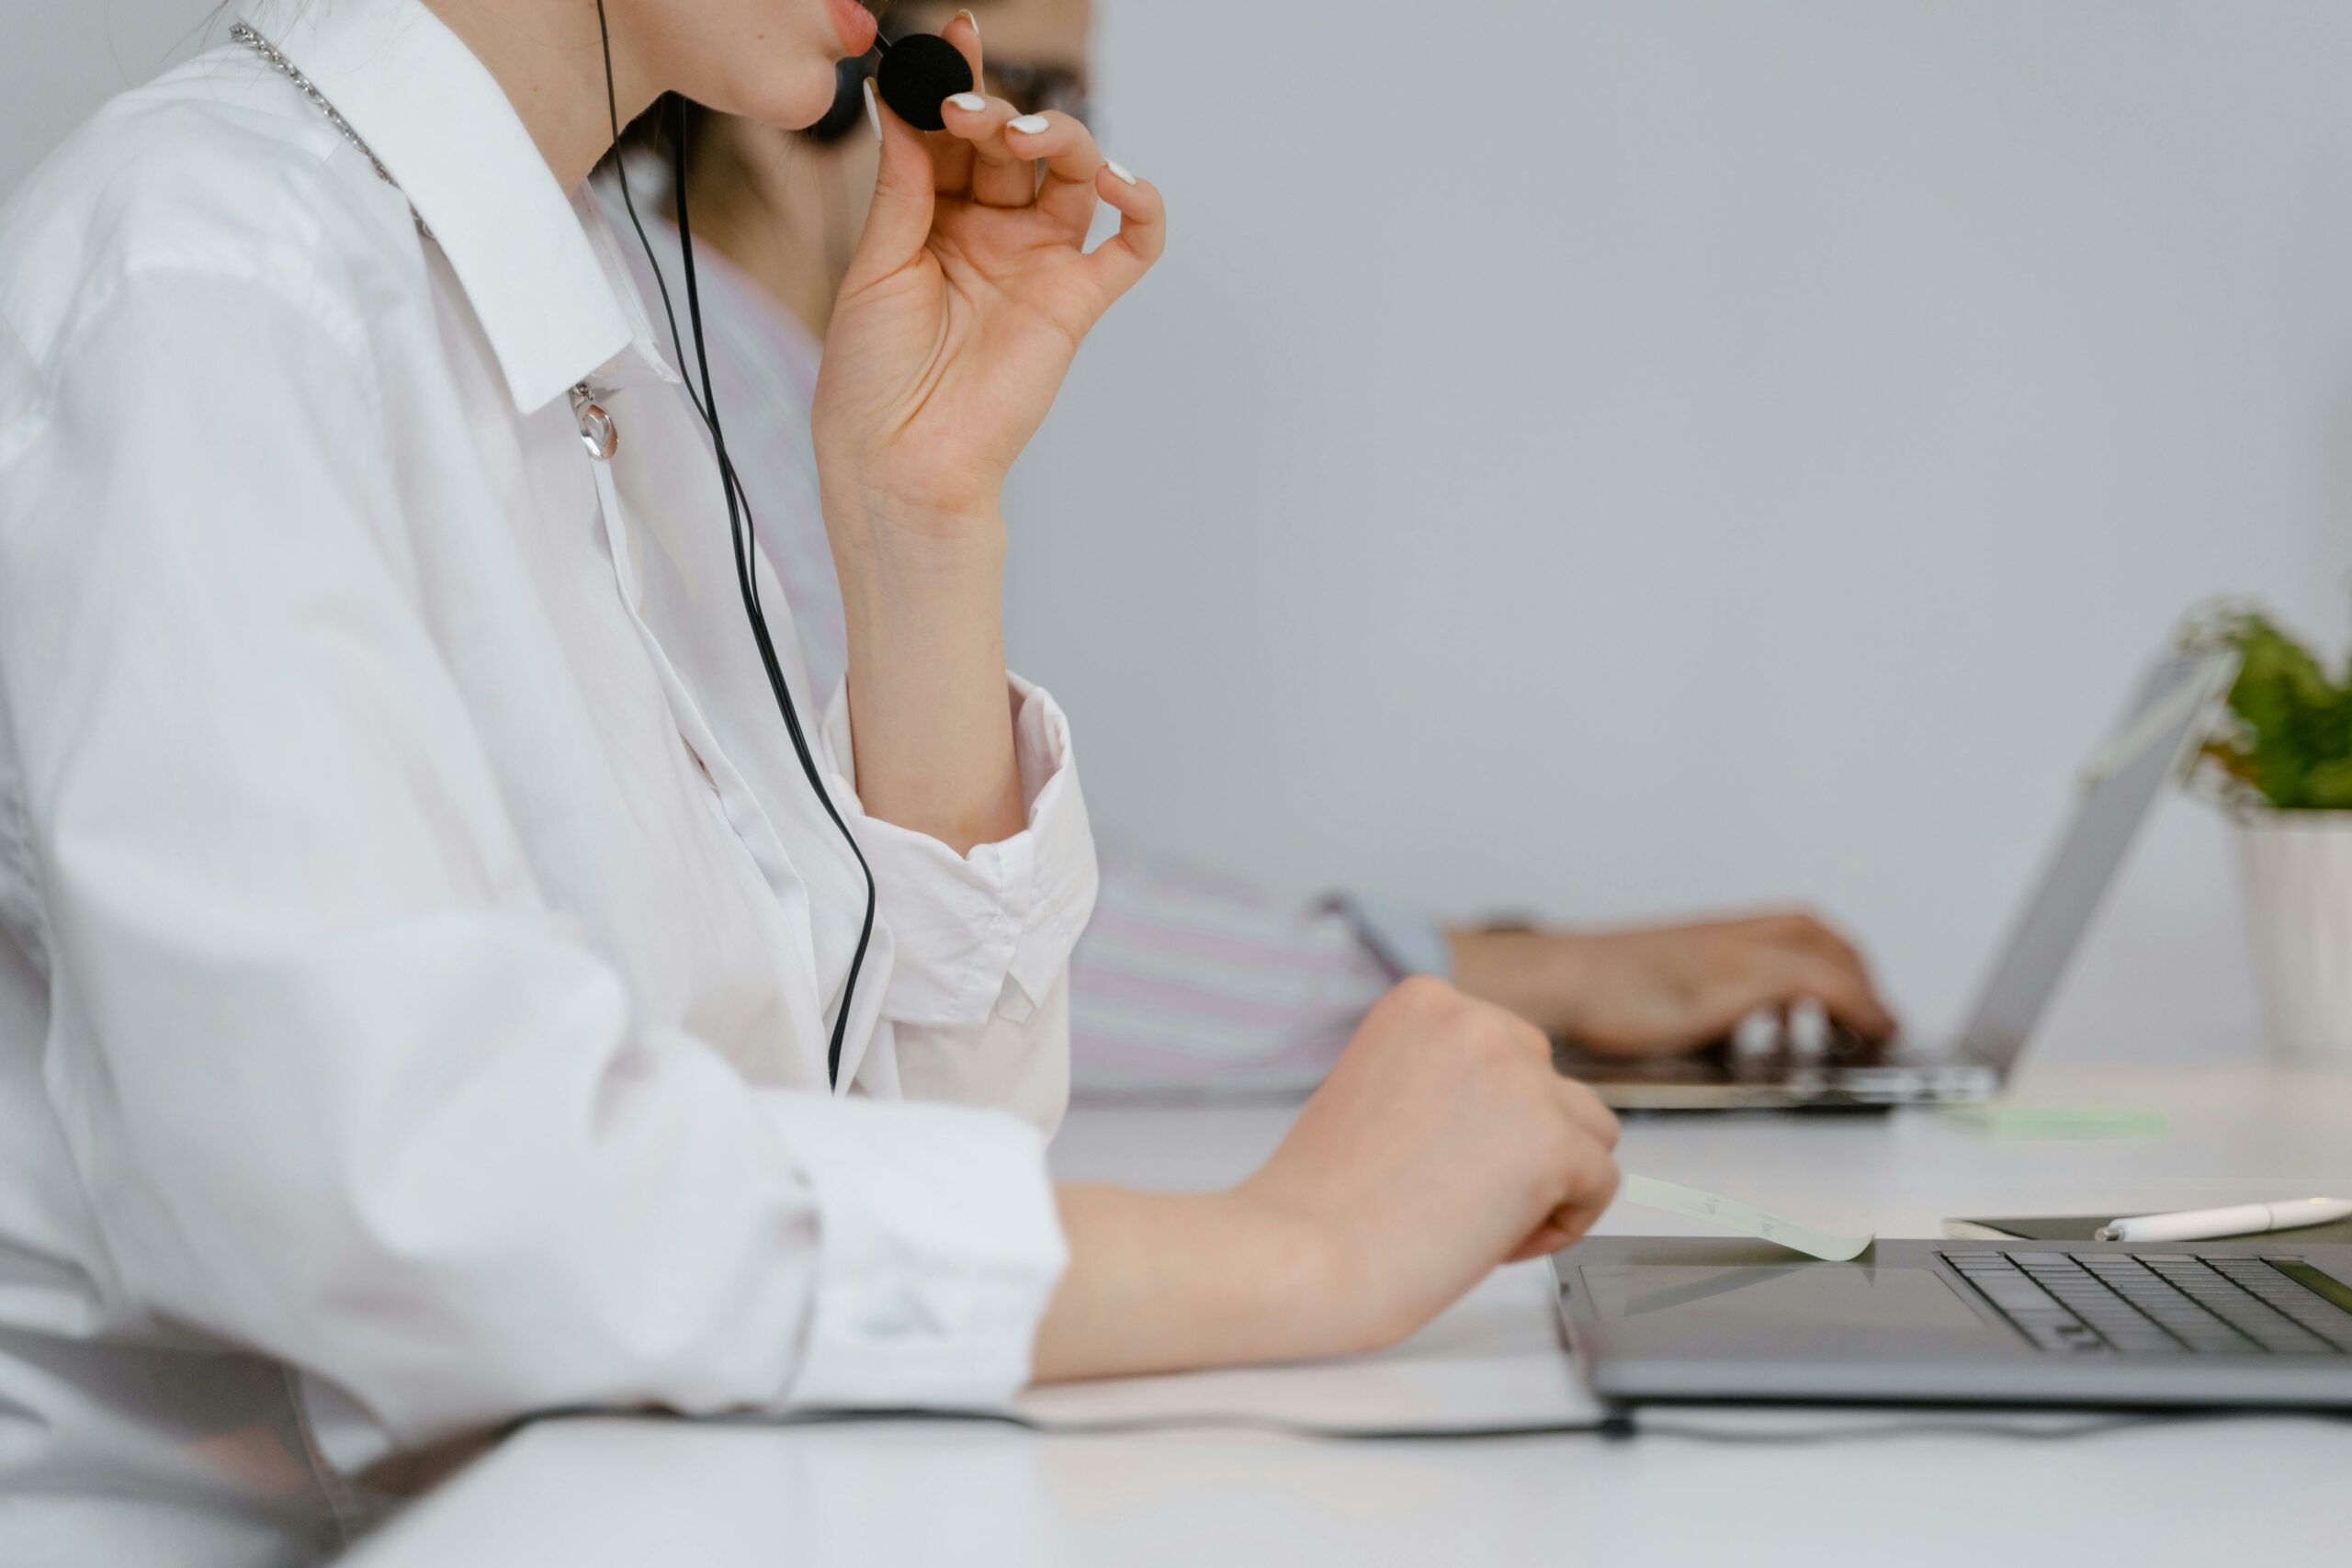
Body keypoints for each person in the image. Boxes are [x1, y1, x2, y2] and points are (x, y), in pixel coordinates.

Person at [0, 2, 1622, 1562]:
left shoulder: (593, 330)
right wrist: (1297, 1252)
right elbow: (421, 1209)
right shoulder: (209, 279)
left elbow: (888, 1141)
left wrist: (915, 530)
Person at [631, 0, 1903, 1098]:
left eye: (1074, 95)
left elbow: (956, 908)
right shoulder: (677, 401)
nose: (1043, 138)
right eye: (1018, 83)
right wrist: (1508, 976)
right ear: (838, 83)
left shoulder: (800, 398)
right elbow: (886, 928)